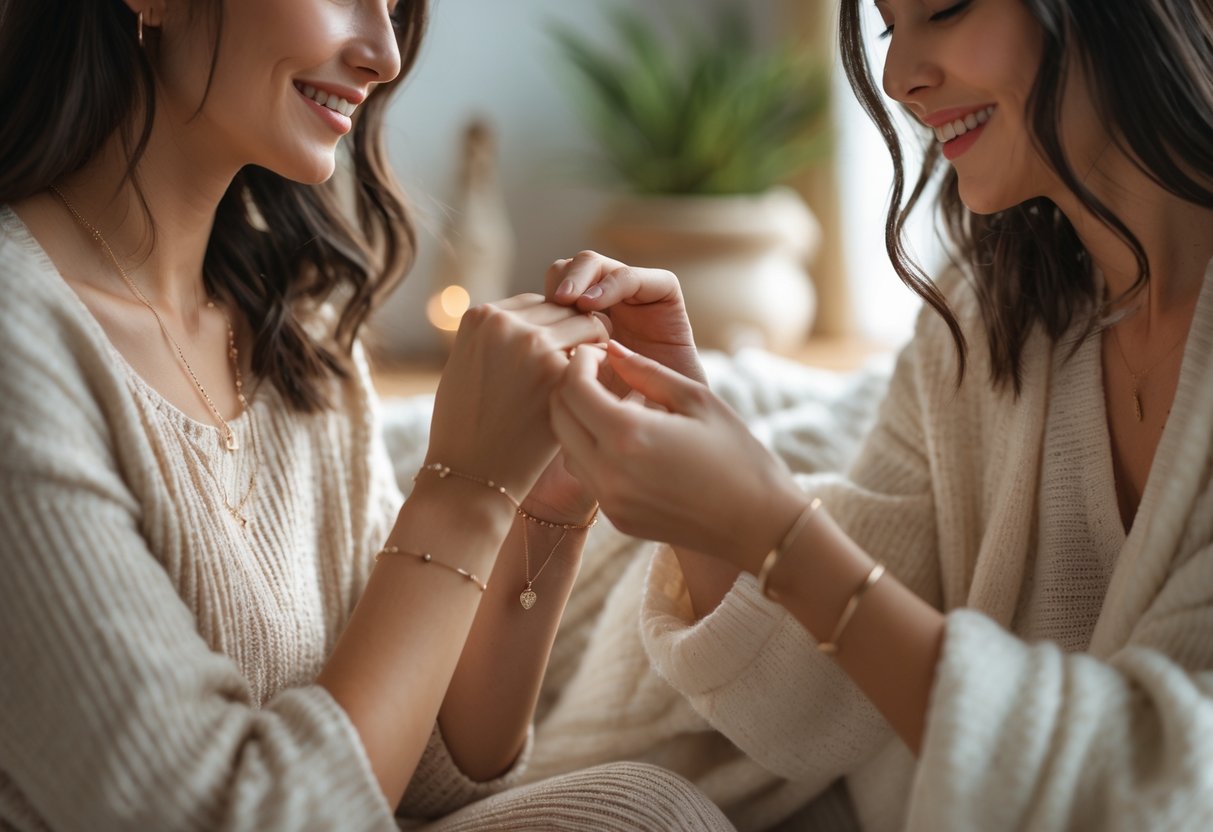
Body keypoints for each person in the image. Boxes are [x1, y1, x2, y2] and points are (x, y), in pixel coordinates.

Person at [0, 1, 736, 829]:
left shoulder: (297, 327)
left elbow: (420, 773)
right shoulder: (20, 339)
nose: (385, 55)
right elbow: (233, 814)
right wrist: (463, 493)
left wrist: (543, 499)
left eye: (392, 5)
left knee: (645, 811)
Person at [540, 0, 1213, 828]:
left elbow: (1161, 787)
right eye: (889, 27)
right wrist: (703, 476)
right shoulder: (986, 316)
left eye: (944, 7)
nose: (896, 78)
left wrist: (773, 526)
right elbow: (818, 708)